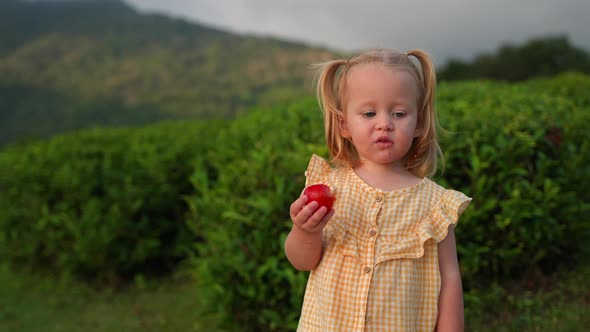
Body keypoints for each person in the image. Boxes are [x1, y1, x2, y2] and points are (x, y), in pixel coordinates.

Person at [284, 48, 472, 332]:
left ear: (419, 122)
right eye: (369, 113)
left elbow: (449, 279)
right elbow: (302, 261)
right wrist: (305, 231)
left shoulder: (435, 204)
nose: (384, 123)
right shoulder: (329, 189)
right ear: (345, 124)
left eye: (398, 113)